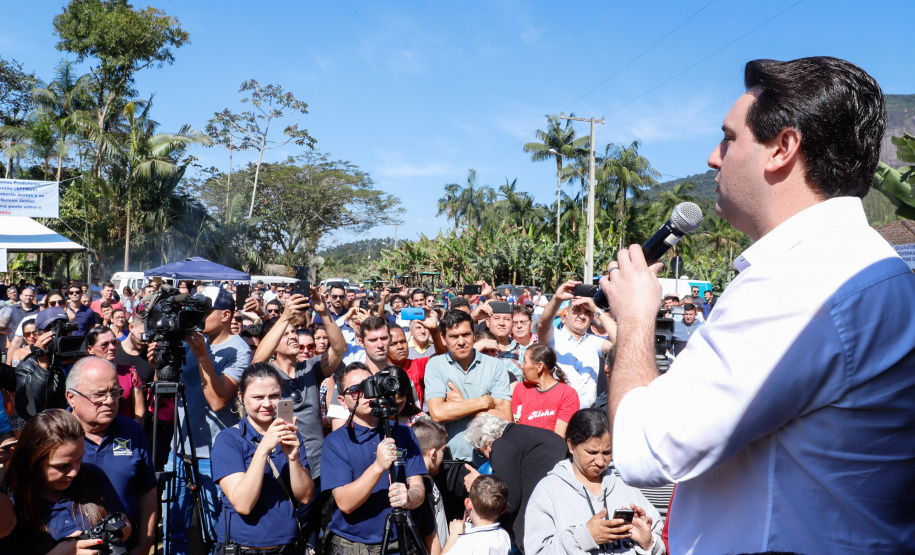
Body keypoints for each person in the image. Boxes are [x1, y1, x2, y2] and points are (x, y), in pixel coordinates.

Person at [601, 57, 915, 554]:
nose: (712, 157)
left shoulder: (805, 278)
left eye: (729, 138)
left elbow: (643, 450)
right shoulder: (863, 265)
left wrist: (636, 318)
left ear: (782, 148)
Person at [148, 285, 252, 555]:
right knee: (172, 527)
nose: (199, 315)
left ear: (227, 315)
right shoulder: (187, 338)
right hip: (178, 450)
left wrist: (202, 356)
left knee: (214, 529)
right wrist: (160, 363)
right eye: (196, 309)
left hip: (214, 454)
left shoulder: (238, 350)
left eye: (206, 310)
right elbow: (165, 387)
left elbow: (219, 401)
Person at [321, 363, 426, 555]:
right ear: (342, 401)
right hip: (355, 547)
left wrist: (409, 498)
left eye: (370, 385)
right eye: (355, 391)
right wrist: (378, 467)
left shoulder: (404, 433)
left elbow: (418, 487)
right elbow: (345, 503)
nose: (366, 394)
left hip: (400, 541)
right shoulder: (335, 442)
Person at [525, 409, 664, 555]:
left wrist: (648, 543)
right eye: (591, 452)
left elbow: (661, 543)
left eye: (607, 452)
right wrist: (584, 537)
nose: (600, 461)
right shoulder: (548, 491)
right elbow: (537, 551)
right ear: (571, 445)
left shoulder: (626, 487)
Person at [211, 363, 315, 553]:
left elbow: (306, 496)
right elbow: (243, 504)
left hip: (289, 546)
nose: (267, 404)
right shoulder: (228, 440)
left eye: (274, 396)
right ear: (241, 397)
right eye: (258, 397)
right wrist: (263, 449)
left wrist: (293, 459)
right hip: (244, 548)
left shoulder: (290, 434)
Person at [0, 409, 131, 555]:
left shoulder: (93, 477)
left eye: (79, 459)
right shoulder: (10, 504)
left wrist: (110, 533)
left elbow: (124, 522)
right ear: (33, 461)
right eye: (62, 466)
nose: (74, 472)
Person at [65, 356, 156, 555]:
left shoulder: (132, 430)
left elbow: (147, 489)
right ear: (71, 397)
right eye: (99, 394)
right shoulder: (53, 433)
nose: (110, 401)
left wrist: (144, 544)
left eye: (115, 392)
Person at [463, 414, 567, 548]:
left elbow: (509, 502)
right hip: (562, 512)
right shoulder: (531, 434)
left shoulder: (502, 445)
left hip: (539, 526)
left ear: (487, 442)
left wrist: (480, 484)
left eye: (480, 451)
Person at [424, 310, 512, 465]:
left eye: (466, 334)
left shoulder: (495, 366)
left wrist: (462, 403)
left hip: (489, 459)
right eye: (453, 336)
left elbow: (505, 417)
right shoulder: (435, 365)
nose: (461, 341)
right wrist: (484, 402)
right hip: (450, 460)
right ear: (443, 339)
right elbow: (437, 413)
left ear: (473, 334)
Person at [537, 281, 615, 409]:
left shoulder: (593, 341)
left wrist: (596, 309)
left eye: (587, 312)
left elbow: (621, 341)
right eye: (577, 310)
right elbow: (542, 325)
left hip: (586, 414)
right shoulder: (554, 336)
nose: (582, 316)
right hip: (556, 410)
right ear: (566, 312)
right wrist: (557, 298)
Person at [511, 344, 579, 436]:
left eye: (525, 362)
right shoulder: (521, 388)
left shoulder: (567, 394)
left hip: (550, 448)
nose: (522, 366)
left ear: (539, 366)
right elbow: (515, 428)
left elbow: (559, 437)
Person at [85, 325, 144, 421]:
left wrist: (134, 431)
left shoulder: (129, 373)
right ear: (90, 349)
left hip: (125, 432)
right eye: (104, 344)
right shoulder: (84, 374)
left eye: (114, 342)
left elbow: (139, 411)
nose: (112, 347)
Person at [441, 475, 510, 555]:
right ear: (505, 509)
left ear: (468, 503)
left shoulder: (466, 543)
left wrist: (453, 536)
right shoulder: (504, 536)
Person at [411, 419, 450, 555]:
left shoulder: (427, 478)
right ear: (433, 454)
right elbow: (430, 538)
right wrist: (456, 534)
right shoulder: (422, 486)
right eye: (443, 450)